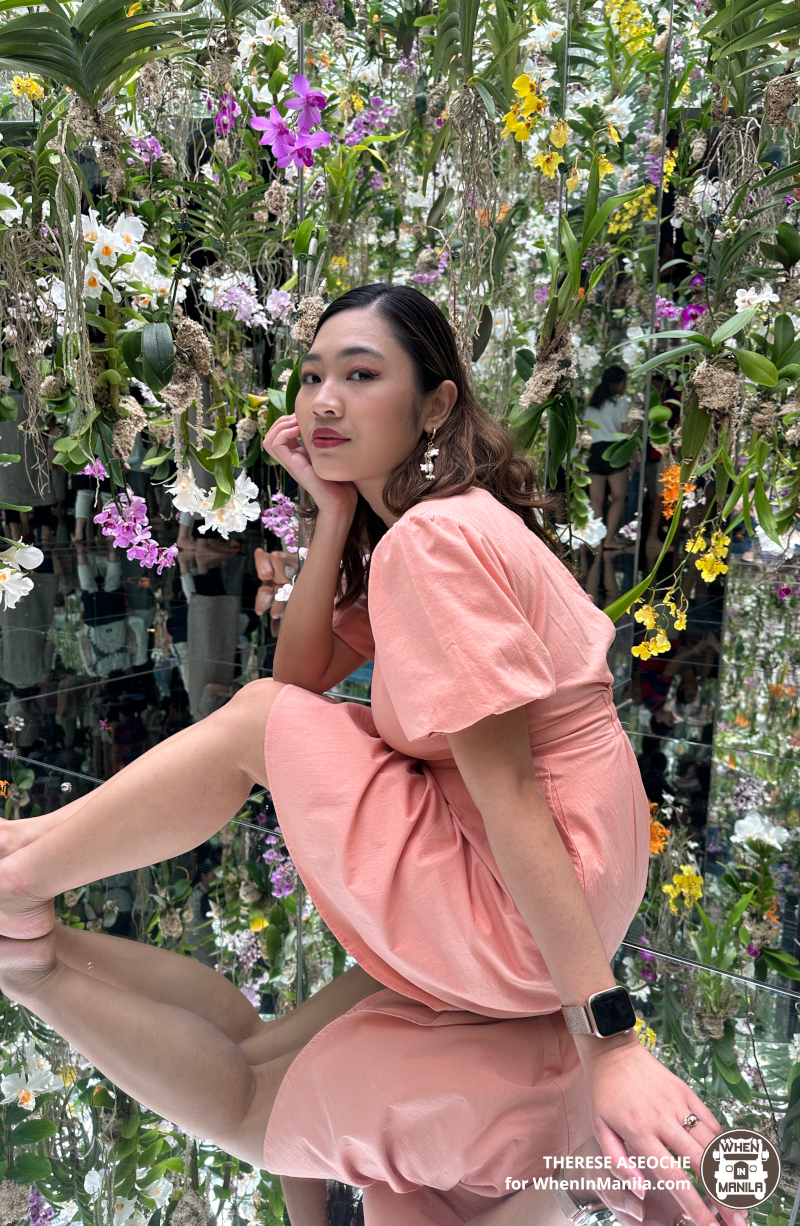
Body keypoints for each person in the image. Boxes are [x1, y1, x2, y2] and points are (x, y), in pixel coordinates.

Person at [0, 285, 742, 1226]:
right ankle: (26, 925)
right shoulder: (435, 529)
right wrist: (334, 513)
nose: (323, 402)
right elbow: (306, 675)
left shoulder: (434, 543)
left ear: (435, 405)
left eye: (361, 375)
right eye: (312, 376)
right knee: (259, 1058)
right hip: (564, 901)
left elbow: (506, 789)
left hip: (521, 907)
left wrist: (611, 1040)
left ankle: (19, 869)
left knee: (248, 1096)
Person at [584, 365, 632, 549]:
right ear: (618, 383)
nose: (625, 386)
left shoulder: (593, 405)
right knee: (618, 497)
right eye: (624, 382)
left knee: (595, 499)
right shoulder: (621, 404)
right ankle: (609, 539)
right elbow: (625, 432)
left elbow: (587, 432)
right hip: (615, 451)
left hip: (595, 451)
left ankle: (596, 541)